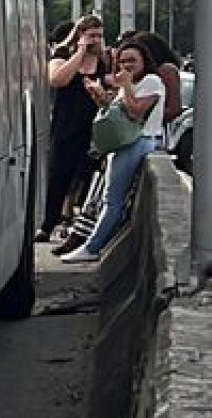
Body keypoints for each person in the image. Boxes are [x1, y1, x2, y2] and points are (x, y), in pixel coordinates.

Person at [67, 32, 166, 262]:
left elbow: (135, 112)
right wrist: (99, 96)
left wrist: (127, 86)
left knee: (113, 201)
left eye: (132, 60)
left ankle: (92, 247)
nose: (127, 65)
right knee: (109, 199)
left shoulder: (152, 81)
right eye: (122, 61)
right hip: (124, 144)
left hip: (138, 143)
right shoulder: (127, 83)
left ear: (144, 61)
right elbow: (117, 114)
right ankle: (94, 244)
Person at [42, 13, 106, 238]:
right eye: (91, 36)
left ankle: (74, 221)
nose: (96, 41)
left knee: (85, 176)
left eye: (99, 36)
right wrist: (79, 52)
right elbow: (58, 79)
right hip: (66, 124)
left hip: (94, 126)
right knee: (59, 174)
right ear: (79, 35)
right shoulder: (62, 54)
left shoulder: (105, 60)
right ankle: (48, 223)